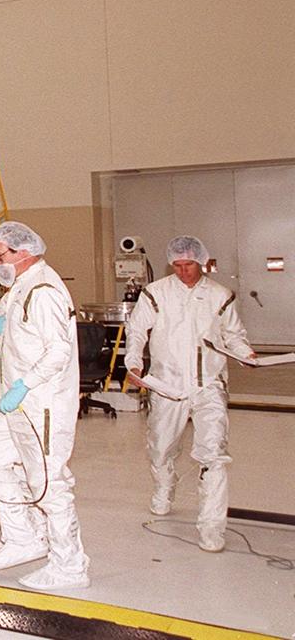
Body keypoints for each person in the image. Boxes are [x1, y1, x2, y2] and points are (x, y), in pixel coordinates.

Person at [0, 220, 89, 591]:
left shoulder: (44, 290)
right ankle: (24, 537)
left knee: (49, 483)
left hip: (39, 402)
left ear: (23, 253)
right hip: (12, 402)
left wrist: (24, 385)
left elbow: (59, 352)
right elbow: (8, 321)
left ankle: (69, 565)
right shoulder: (21, 284)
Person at [122, 235, 256, 553]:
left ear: (202, 262)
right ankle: (164, 486)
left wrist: (245, 353)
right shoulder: (156, 293)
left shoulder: (220, 295)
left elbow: (233, 335)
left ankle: (211, 528)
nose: (184, 272)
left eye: (190, 265)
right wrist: (134, 362)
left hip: (209, 385)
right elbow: (138, 329)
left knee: (214, 456)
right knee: (161, 449)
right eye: (178, 266)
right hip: (167, 386)